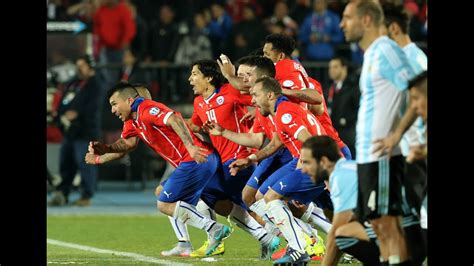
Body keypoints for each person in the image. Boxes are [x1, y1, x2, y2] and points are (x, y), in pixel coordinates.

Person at [89, 82, 231, 256]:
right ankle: (185, 243)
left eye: (114, 104)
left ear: (130, 99)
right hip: (194, 160)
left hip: (196, 158)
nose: (113, 110)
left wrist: (191, 147)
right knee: (164, 193)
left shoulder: (148, 108)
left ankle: (214, 229)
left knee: (165, 203)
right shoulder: (132, 120)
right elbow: (127, 144)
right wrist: (103, 152)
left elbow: (174, 119)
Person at [340, 1, 416, 264]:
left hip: (382, 157)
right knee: (379, 225)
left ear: (367, 20)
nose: (342, 24)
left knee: (387, 224)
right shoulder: (371, 54)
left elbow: (420, 92)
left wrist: (397, 135)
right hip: (368, 156)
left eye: (347, 18)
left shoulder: (387, 50)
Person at [185, 59, 280, 259]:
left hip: (240, 159)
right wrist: (168, 121)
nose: (190, 79)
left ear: (209, 77)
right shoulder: (199, 103)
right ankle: (268, 238)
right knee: (244, 207)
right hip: (224, 163)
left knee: (203, 189)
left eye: (194, 74)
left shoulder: (230, 91)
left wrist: (256, 113)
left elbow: (260, 100)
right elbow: (194, 125)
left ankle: (220, 236)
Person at [300, 136, 381, 266]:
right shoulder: (348, 169)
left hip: (406, 233)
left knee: (341, 234)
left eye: (307, 162)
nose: (302, 169)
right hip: (408, 228)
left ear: (324, 161)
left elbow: (336, 232)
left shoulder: (341, 177)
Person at [49, 55, 102, 207]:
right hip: (70, 132)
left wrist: (77, 114)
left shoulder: (96, 84)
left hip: (86, 131)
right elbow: (64, 101)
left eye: (82, 65)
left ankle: (86, 196)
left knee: (85, 164)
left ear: (90, 66)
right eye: (77, 65)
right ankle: (62, 193)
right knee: (66, 163)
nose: (78, 69)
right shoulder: (74, 83)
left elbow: (94, 106)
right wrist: (59, 115)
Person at [325, 56, 360, 158]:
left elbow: (359, 108)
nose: (331, 70)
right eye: (330, 67)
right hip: (333, 134)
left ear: (344, 68)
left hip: (348, 135)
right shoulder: (330, 88)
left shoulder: (354, 87)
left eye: (335, 67)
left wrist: (346, 120)